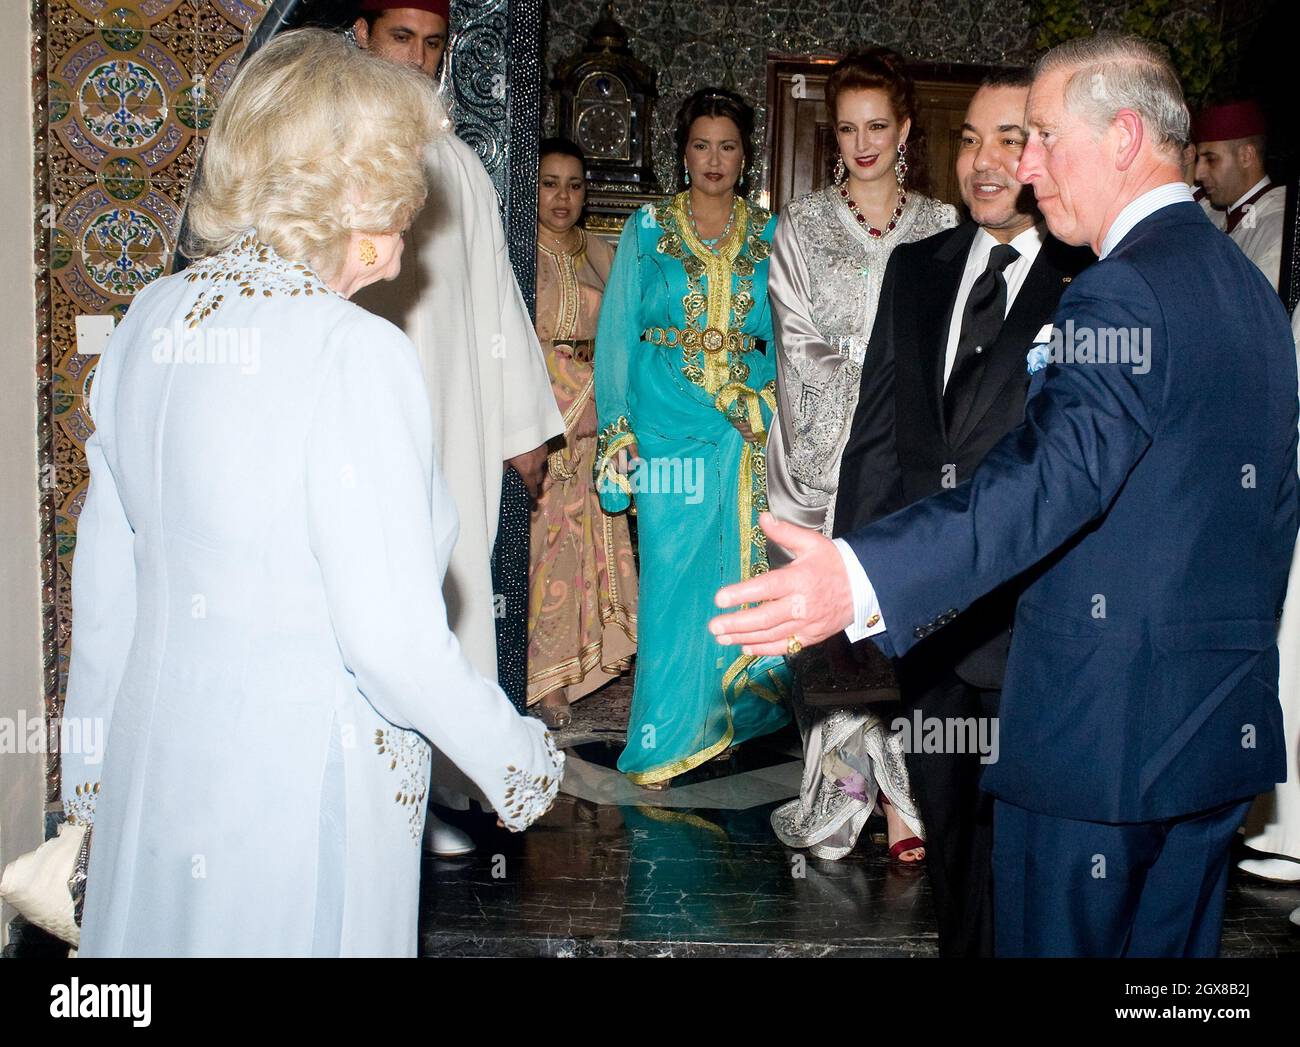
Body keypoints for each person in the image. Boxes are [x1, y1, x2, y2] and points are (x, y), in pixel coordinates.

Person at [710, 33, 1297, 958]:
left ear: (1123, 137)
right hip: (1212, 734)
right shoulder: (1249, 290)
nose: (1025, 167)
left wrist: (861, 577)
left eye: (1044, 138)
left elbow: (1051, 479)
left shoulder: (1120, 292)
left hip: (1095, 751)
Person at [59, 30, 563, 957]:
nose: (413, 229)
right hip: (299, 790)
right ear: (357, 194)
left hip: (158, 771)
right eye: (406, 195)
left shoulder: (150, 320)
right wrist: (518, 760)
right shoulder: (355, 352)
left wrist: (89, 778)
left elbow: (105, 593)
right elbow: (388, 637)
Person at [834, 70, 1092, 953]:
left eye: (1011, 140)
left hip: (1036, 622)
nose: (985, 163)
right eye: (972, 139)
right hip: (927, 617)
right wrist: (854, 586)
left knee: (1015, 847)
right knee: (946, 829)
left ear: (1049, 151)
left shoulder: (1093, 280)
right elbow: (876, 435)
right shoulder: (917, 268)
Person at [353, 0, 563, 856]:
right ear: (363, 37)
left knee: (441, 591)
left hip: (444, 421)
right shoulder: (328, 152)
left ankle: (440, 788)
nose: (418, 58)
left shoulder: (456, 164)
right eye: (401, 37)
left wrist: (522, 426)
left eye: (433, 43)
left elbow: (496, 301)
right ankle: (366, 790)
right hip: (352, 418)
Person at [765, 48, 956, 863]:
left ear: (906, 127)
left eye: (878, 126)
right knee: (836, 633)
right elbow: (796, 346)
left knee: (911, 624)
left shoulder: (946, 224)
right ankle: (844, 798)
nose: (863, 143)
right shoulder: (802, 225)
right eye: (847, 128)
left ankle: (909, 800)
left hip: (915, 461)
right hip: (824, 458)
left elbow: (958, 346)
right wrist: (867, 399)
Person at [594, 87, 791, 788]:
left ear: (746, 156)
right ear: (683, 151)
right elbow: (616, 331)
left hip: (740, 429)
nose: (714, 159)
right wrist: (618, 430)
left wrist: (767, 400)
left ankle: (733, 717)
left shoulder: (771, 234)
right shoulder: (648, 228)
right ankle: (667, 734)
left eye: (728, 146)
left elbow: (787, 334)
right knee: (673, 578)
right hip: (665, 426)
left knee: (737, 575)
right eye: (702, 145)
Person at [526, 138, 637, 729]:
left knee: (594, 545)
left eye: (573, 184)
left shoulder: (601, 255)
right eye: (549, 183)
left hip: (595, 426)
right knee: (548, 553)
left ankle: (590, 667)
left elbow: (625, 335)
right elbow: (514, 345)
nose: (562, 197)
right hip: (541, 423)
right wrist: (572, 394)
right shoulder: (518, 255)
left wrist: (610, 396)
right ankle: (542, 680)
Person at [1193, 99, 1286, 291]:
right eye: (1199, 159)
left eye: (1211, 159)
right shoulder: (1213, 216)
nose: (1198, 173)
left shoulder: (1280, 229)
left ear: (1246, 156)